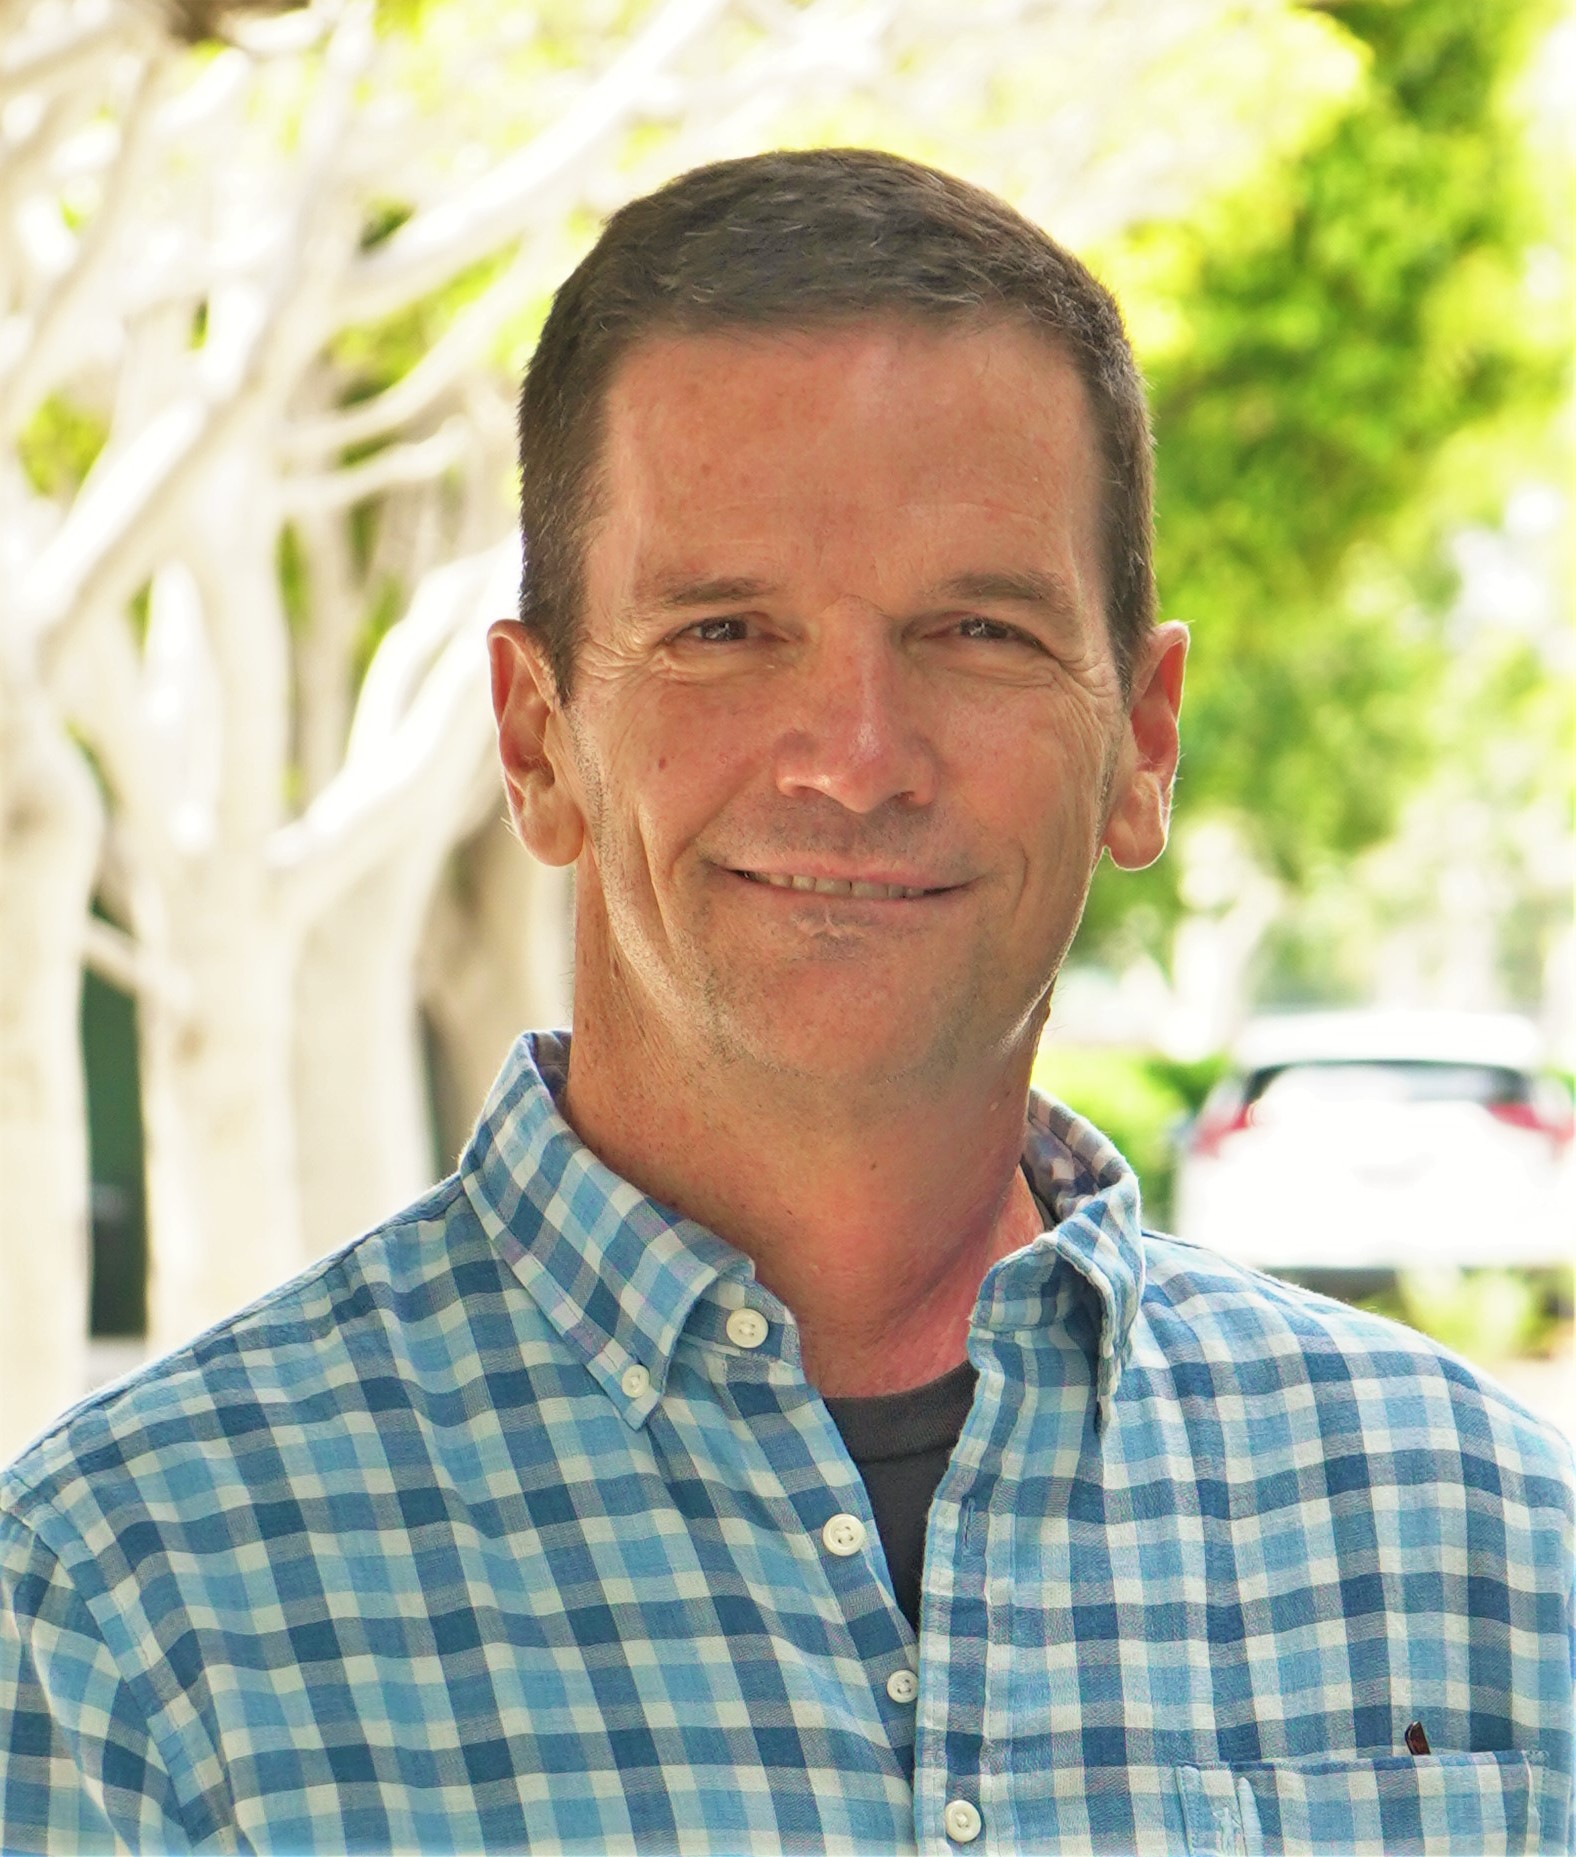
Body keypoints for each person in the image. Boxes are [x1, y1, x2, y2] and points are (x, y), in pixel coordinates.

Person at [1, 149, 1570, 1857]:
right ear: (537, 742)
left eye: (975, 629)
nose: (854, 759)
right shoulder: (126, 1620)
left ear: (1144, 737)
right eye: (727, 630)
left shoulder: (1489, 1552)